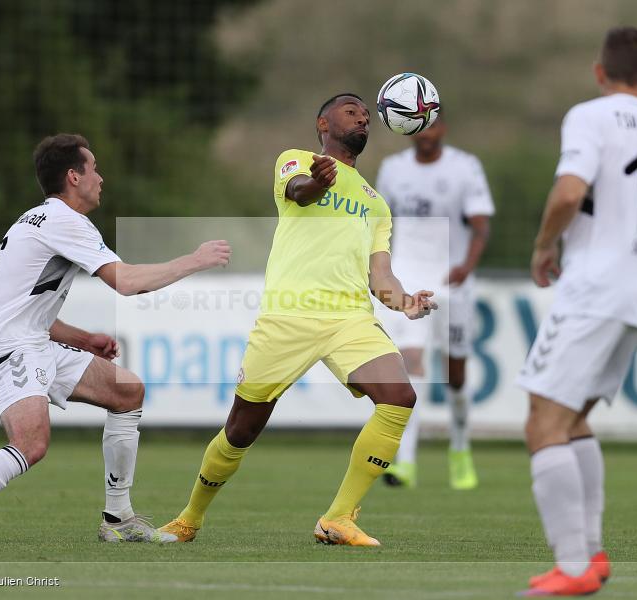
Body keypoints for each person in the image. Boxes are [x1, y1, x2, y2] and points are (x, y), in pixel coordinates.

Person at [0, 133, 231, 544]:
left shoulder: (39, 218)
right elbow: (127, 283)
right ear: (74, 177)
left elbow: (25, 304)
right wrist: (194, 260)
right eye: (94, 168)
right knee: (30, 444)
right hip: (10, 346)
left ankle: (118, 520)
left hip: (26, 338)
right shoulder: (64, 221)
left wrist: (81, 338)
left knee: (126, 391)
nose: (101, 178)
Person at [158, 94, 436, 546]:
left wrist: (403, 301)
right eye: (351, 110)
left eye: (366, 113)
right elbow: (299, 193)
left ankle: (338, 518)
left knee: (400, 397)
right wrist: (319, 182)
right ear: (323, 123)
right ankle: (189, 519)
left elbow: (379, 274)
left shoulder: (376, 203)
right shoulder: (296, 161)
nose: (362, 115)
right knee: (240, 430)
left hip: (349, 318)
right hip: (288, 316)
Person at [517, 28, 637, 595]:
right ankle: (590, 557)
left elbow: (570, 193)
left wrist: (545, 246)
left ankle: (573, 567)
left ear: (601, 73)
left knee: (542, 424)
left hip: (595, 286)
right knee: (572, 422)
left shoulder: (592, 116)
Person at [374, 112, 494, 490]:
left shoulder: (465, 167)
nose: (427, 133)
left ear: (443, 128)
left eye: (433, 125)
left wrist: (465, 267)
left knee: (454, 374)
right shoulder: (392, 169)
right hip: (409, 279)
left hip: (452, 281)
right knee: (410, 362)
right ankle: (405, 461)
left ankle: (460, 448)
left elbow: (480, 225)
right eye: (419, 127)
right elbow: (381, 223)